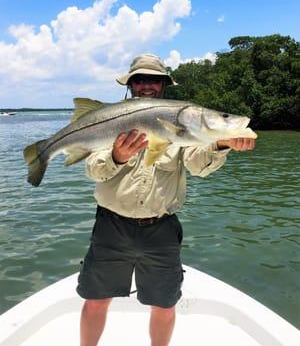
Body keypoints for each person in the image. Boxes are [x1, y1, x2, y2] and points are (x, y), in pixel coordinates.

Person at [77, 54, 255, 346]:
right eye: (140, 80)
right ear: (131, 85)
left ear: (164, 85)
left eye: (154, 80)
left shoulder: (184, 121)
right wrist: (117, 157)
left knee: (164, 304)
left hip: (161, 229)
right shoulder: (111, 119)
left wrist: (222, 142)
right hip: (111, 227)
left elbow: (199, 166)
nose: (147, 86)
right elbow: (93, 170)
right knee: (95, 300)